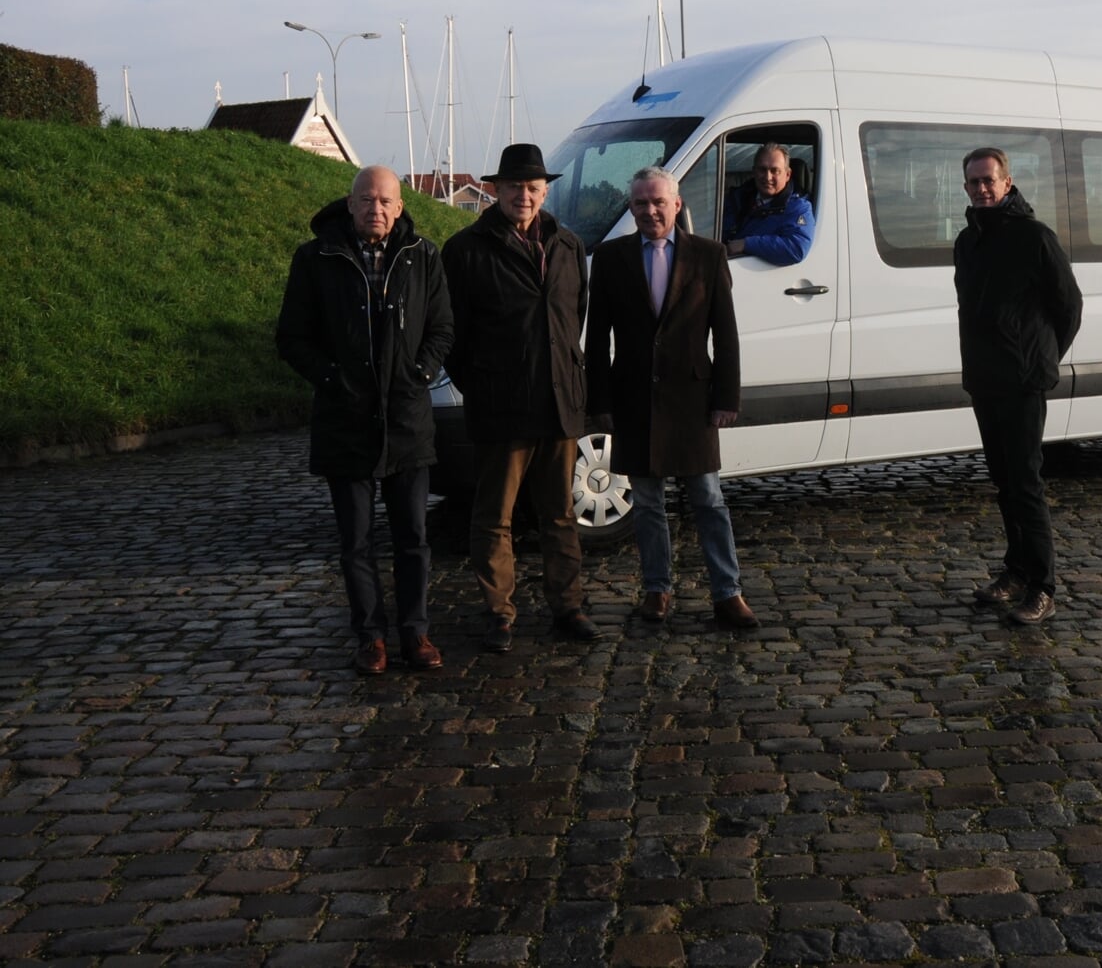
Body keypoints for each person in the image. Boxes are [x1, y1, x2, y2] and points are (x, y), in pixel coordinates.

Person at [276, 165, 456, 674]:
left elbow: (442, 327)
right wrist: (332, 379)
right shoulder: (316, 259)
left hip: (406, 419)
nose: (375, 209)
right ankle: (370, 636)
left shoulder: (423, 257)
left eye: (385, 201)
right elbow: (292, 337)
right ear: (350, 204)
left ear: (400, 207)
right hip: (345, 419)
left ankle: (416, 633)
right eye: (366, 200)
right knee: (355, 542)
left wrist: (420, 371)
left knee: (413, 538)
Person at [442, 143, 600, 652]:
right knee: (495, 516)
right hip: (501, 404)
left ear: (545, 190)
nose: (523, 196)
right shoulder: (466, 250)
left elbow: (573, 318)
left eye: (532, 188)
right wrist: (482, 384)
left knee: (559, 513)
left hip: (560, 403)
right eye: (514, 187)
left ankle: (568, 606)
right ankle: (499, 612)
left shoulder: (568, 245)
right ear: (495, 189)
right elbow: (451, 334)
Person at [587, 168, 758, 629]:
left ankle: (728, 593)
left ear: (676, 204)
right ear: (631, 208)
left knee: (708, 499)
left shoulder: (708, 255)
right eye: (640, 203)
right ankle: (656, 590)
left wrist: (727, 396)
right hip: (634, 399)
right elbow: (597, 336)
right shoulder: (610, 258)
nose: (649, 211)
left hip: (694, 400)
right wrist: (600, 402)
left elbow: (726, 333)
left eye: (658, 202)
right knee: (646, 503)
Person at [953, 147, 1083, 625]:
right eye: (974, 182)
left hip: (1023, 382)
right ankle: (1014, 571)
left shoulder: (1035, 237)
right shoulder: (968, 242)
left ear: (1007, 182)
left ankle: (1042, 586)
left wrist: (1041, 358)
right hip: (984, 380)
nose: (982, 189)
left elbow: (1068, 306)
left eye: (989, 180)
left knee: (1026, 483)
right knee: (1004, 483)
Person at [721, 143, 814, 265]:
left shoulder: (798, 208)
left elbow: (796, 248)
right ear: (754, 171)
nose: (767, 177)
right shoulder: (737, 198)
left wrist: (746, 244)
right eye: (762, 169)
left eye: (775, 171)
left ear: (787, 175)